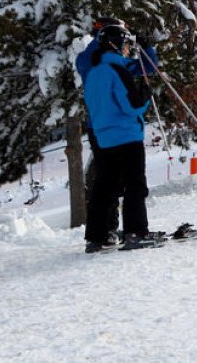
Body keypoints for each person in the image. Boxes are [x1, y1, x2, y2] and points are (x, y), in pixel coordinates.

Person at [77, 17, 161, 244]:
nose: (127, 49)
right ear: (114, 42)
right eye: (124, 43)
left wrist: (145, 46)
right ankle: (136, 231)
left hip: (105, 135)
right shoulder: (107, 65)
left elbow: (149, 64)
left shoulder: (97, 69)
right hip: (125, 133)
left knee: (106, 184)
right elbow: (131, 104)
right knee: (134, 184)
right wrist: (144, 97)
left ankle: (99, 235)